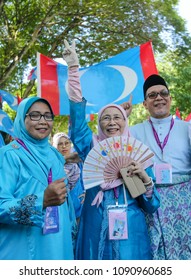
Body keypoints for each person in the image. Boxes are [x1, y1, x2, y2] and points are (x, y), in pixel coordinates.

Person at [62, 39, 160, 260]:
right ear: (99, 123)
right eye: (106, 117)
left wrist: (145, 179)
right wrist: (73, 69)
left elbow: (152, 205)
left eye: (117, 117)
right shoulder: (91, 146)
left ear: (125, 123)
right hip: (95, 224)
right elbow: (77, 123)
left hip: (132, 230)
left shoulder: (138, 153)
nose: (112, 122)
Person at [123, 74, 191, 260]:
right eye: (152, 95)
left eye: (163, 93)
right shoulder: (133, 131)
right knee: (155, 252)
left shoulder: (187, 128)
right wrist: (123, 117)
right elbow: (113, 152)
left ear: (169, 98)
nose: (159, 98)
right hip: (151, 200)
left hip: (185, 202)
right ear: (144, 103)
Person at [0, 96, 76, 260]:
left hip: (59, 245)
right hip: (24, 250)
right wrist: (41, 201)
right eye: (35, 115)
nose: (43, 121)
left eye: (48, 116)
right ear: (21, 118)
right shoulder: (9, 155)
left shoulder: (54, 155)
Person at [52, 132, 85, 223]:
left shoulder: (78, 161)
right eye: (60, 144)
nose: (64, 146)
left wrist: (86, 193)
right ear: (55, 146)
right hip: (59, 206)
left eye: (67, 143)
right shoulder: (52, 164)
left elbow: (85, 180)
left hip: (78, 206)